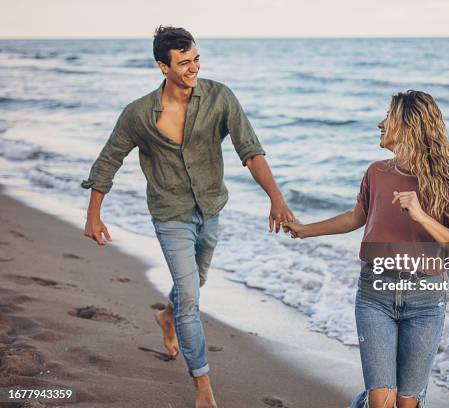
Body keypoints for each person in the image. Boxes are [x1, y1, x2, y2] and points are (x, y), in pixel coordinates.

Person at [81, 26, 294, 408]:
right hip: (170, 214)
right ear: (163, 66)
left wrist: (275, 198)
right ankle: (203, 388)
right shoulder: (139, 115)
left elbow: (250, 150)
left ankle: (167, 316)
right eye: (183, 63)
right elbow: (108, 160)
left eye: (196, 59)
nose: (193, 68)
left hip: (211, 208)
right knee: (191, 296)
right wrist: (93, 215)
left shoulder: (220, 97)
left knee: (195, 283)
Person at [285, 90, 449, 408]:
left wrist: (421, 216)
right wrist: (305, 230)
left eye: (388, 117)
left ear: (409, 126)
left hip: (425, 301)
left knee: (407, 403)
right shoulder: (376, 173)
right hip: (374, 296)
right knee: (381, 401)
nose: (381, 124)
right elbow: (357, 217)